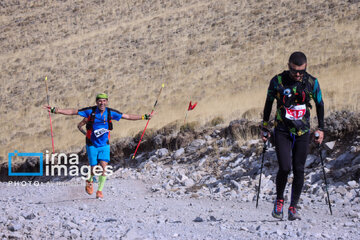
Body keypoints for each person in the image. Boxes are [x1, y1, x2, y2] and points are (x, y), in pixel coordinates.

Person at [44, 93, 152, 199]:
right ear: (96, 102)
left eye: (104, 101)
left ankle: (99, 191)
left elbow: (127, 116)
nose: (102, 103)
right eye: (100, 101)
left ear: (107, 102)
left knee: (104, 167)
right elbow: (73, 111)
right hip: (92, 144)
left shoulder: (110, 113)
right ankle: (89, 181)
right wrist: (56, 110)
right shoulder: (90, 111)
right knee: (93, 168)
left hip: (104, 145)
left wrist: (144, 117)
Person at [260, 52, 324, 220]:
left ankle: (293, 207)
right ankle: (279, 199)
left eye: (301, 71)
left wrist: (321, 129)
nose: (298, 75)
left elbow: (320, 104)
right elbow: (268, 103)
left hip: (303, 131)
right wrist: (265, 126)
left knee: (299, 169)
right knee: (285, 167)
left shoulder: (312, 82)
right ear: (288, 66)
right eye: (294, 71)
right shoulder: (277, 81)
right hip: (282, 130)